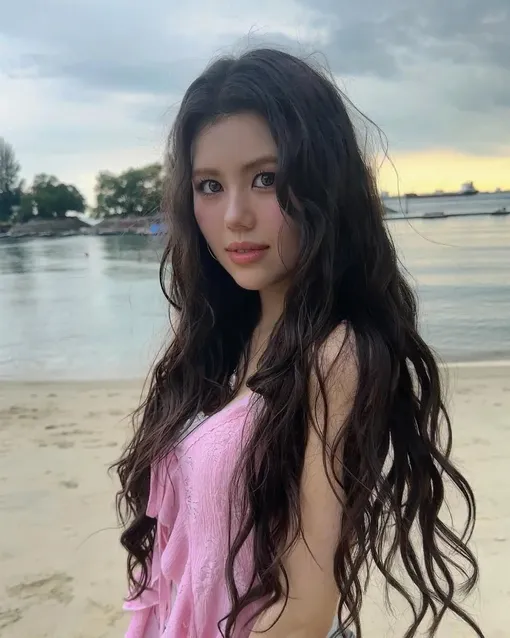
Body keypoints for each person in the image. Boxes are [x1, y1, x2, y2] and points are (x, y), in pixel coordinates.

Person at [114, 49, 484, 638]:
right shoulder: (226, 339)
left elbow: (304, 613)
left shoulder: (334, 355)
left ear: (322, 184)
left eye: (266, 178)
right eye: (210, 186)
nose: (235, 216)